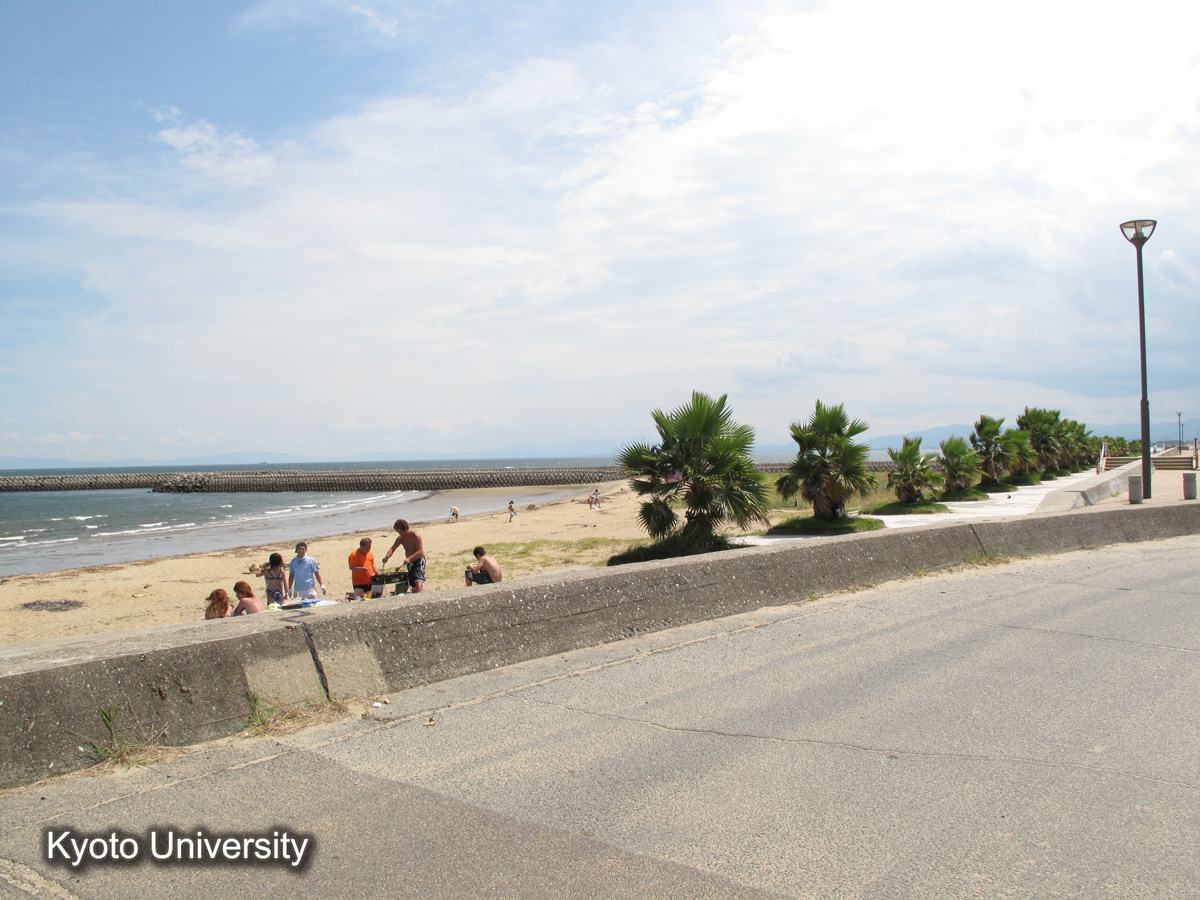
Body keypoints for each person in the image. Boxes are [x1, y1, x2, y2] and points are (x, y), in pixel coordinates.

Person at [382, 519, 426, 593]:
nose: (399, 533)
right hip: (409, 562)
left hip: (418, 560)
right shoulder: (400, 538)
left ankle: (419, 594)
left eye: (399, 531)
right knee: (412, 580)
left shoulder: (415, 535)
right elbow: (393, 548)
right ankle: (415, 594)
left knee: (418, 577)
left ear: (404, 529)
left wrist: (409, 558)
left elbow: (420, 552)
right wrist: (387, 557)